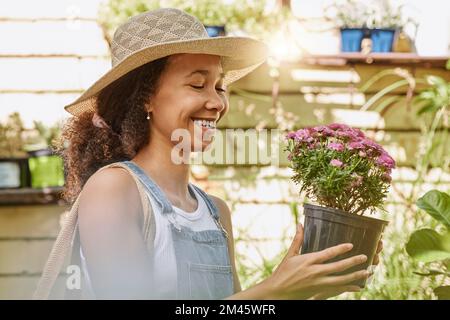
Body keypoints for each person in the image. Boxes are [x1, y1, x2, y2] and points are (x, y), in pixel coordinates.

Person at [57, 8, 382, 300]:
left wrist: (305, 288)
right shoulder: (115, 190)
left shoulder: (214, 211)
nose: (216, 103)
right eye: (197, 86)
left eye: (220, 87)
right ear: (145, 98)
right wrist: (276, 290)